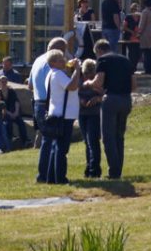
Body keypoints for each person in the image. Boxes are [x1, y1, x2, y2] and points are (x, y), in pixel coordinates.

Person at [87, 38, 135, 180]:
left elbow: (99, 82)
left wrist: (89, 83)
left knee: (108, 138)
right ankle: (118, 169)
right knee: (119, 136)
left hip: (111, 100)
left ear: (99, 51)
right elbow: (134, 86)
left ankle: (113, 171)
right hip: (126, 100)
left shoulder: (103, 60)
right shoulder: (126, 60)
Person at [40, 50, 81, 184]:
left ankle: (51, 178)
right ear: (52, 63)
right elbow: (72, 86)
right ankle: (60, 178)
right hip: (64, 115)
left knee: (55, 147)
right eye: (60, 60)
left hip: (56, 113)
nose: (63, 61)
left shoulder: (51, 74)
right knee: (62, 149)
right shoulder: (58, 74)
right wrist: (77, 70)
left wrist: (71, 69)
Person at [30, 37, 71, 171]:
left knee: (46, 140)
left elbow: (30, 85)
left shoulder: (37, 60)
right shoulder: (53, 64)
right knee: (52, 141)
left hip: (37, 102)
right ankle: (47, 173)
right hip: (49, 103)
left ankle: (44, 173)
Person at [77, 59, 104, 178]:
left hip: (95, 113)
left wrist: (98, 99)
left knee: (93, 141)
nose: (88, 76)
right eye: (86, 74)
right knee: (86, 142)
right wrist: (79, 101)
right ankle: (89, 167)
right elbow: (73, 92)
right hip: (82, 113)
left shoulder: (99, 81)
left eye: (91, 74)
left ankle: (95, 170)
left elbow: (105, 94)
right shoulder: (79, 80)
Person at [0, 75, 28, 146]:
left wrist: (16, 112)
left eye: (5, 81)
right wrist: (10, 114)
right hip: (4, 113)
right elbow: (0, 106)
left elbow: (16, 102)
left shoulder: (11, 91)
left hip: (14, 112)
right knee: (8, 123)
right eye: (2, 81)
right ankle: (10, 139)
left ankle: (25, 140)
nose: (4, 83)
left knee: (21, 122)